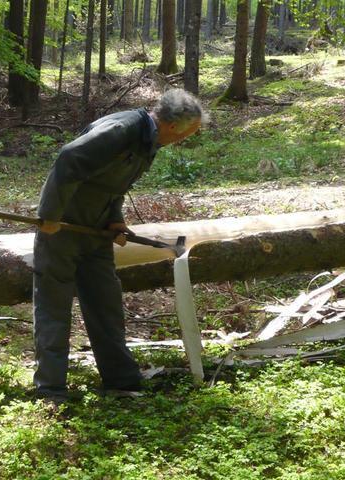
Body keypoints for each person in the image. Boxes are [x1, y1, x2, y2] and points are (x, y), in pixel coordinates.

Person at [33, 89, 206, 401]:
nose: (185, 140)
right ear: (172, 126)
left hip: (96, 230)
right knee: (54, 304)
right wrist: (50, 215)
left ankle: (121, 380)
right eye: (188, 133)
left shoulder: (148, 141)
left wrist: (115, 220)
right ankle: (51, 390)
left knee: (105, 302)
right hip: (63, 227)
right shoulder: (122, 130)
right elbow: (69, 158)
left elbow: (113, 185)